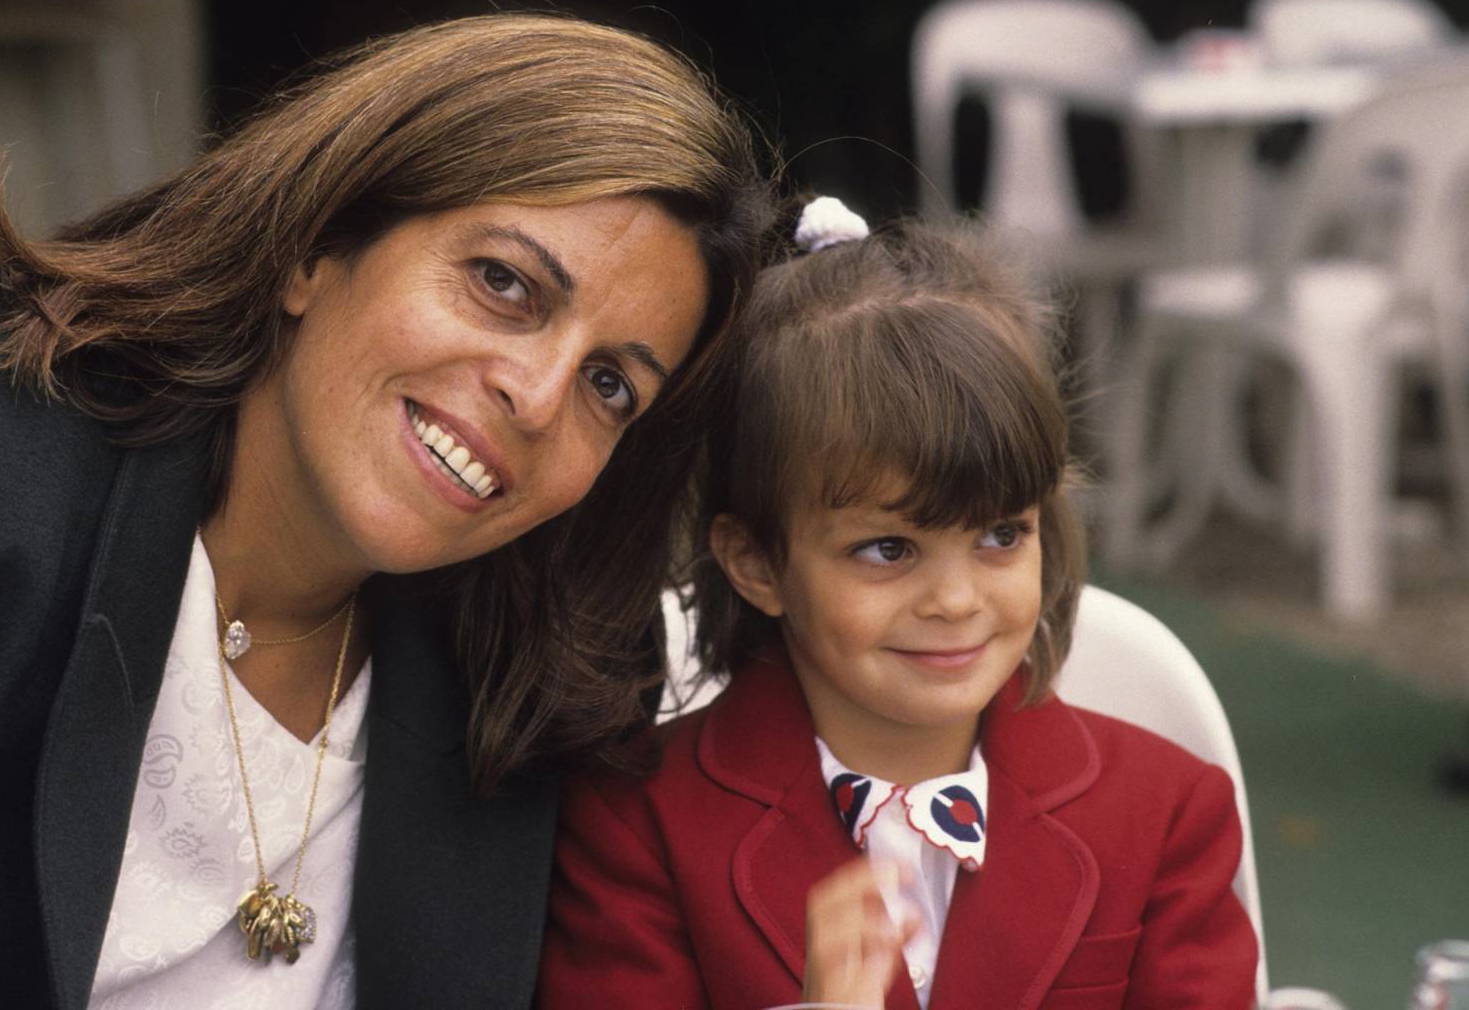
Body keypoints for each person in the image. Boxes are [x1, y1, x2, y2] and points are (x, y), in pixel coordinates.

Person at [0, 13, 772, 1009]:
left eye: (610, 386)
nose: (540, 393)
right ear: (316, 246)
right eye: (503, 283)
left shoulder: (533, 700)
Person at [539, 201, 1259, 1008]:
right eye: (888, 549)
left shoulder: (1164, 808)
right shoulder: (636, 824)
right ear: (755, 563)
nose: (955, 601)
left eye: (999, 535)